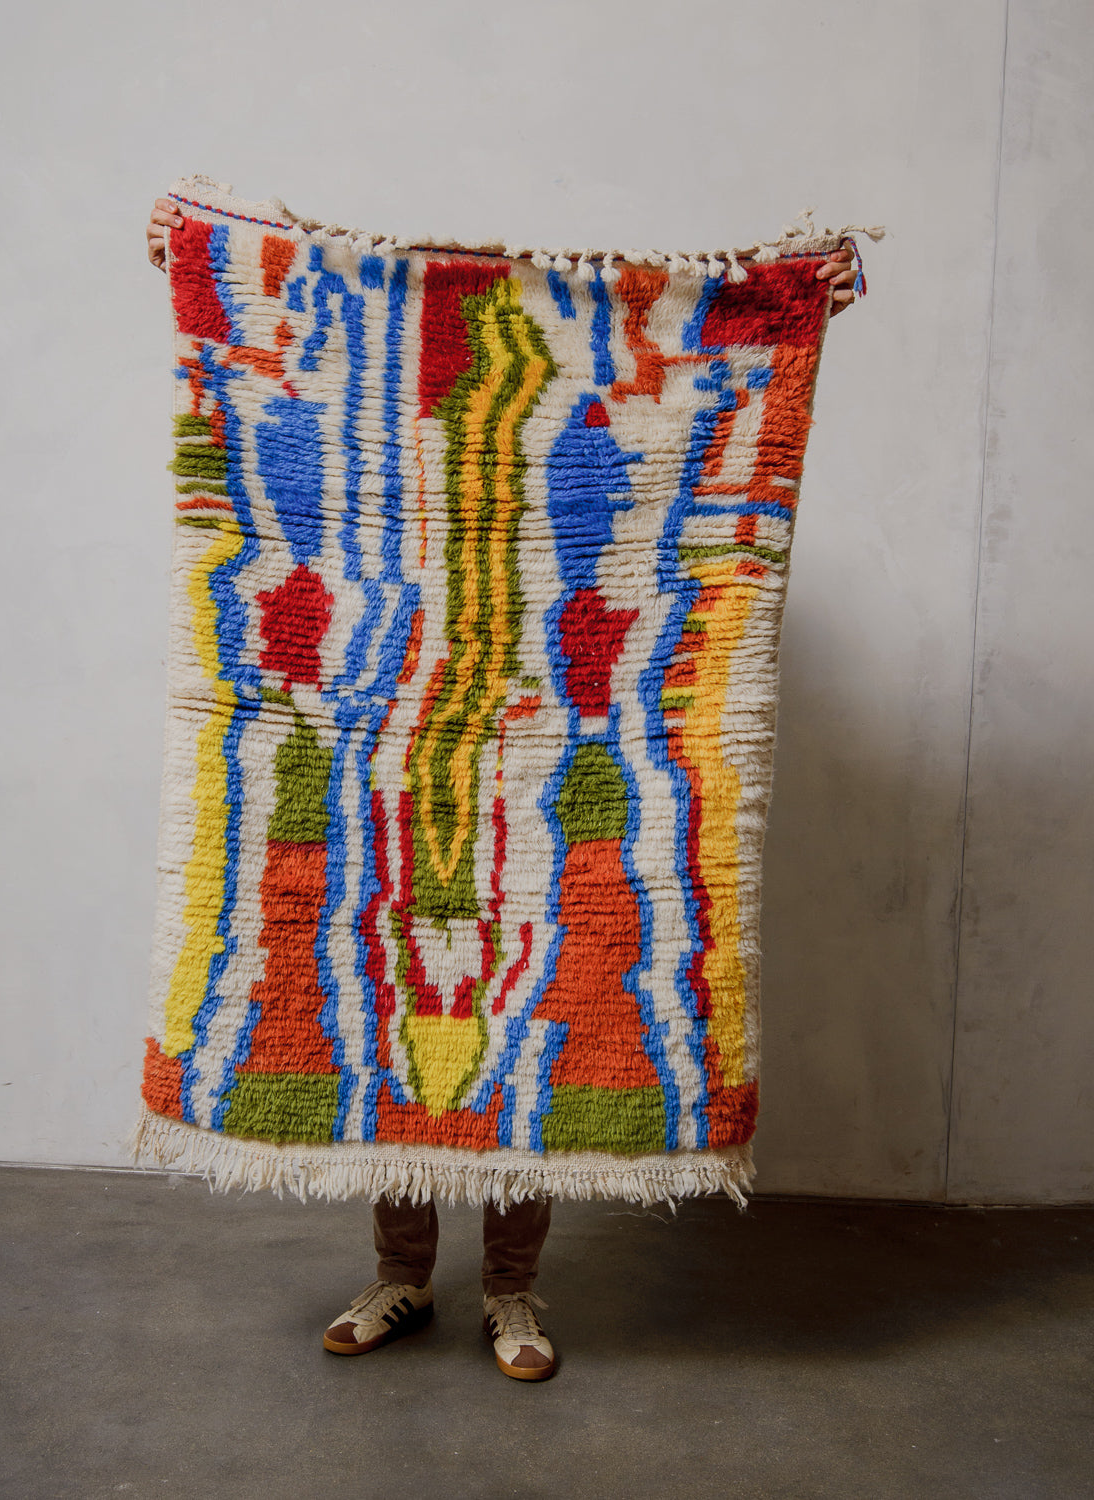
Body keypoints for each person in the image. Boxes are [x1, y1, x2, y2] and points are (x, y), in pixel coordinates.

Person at [145, 197, 858, 1381]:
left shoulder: (569, 474)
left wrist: (782, 311)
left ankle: (515, 1297)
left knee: (539, 995)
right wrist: (201, 262)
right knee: (384, 1008)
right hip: (390, 731)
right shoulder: (390, 466)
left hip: (542, 749)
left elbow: (653, 474)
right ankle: (402, 1281)